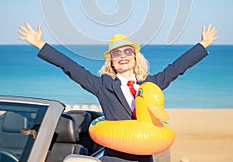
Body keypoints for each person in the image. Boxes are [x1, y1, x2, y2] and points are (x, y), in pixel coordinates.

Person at [18, 22, 217, 162]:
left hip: (145, 157)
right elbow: (71, 67)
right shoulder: (103, 87)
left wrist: (202, 45)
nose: (123, 56)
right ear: (111, 61)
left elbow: (176, 69)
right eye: (116, 53)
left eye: (127, 51)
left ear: (135, 57)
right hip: (115, 158)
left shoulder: (150, 85)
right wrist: (40, 44)